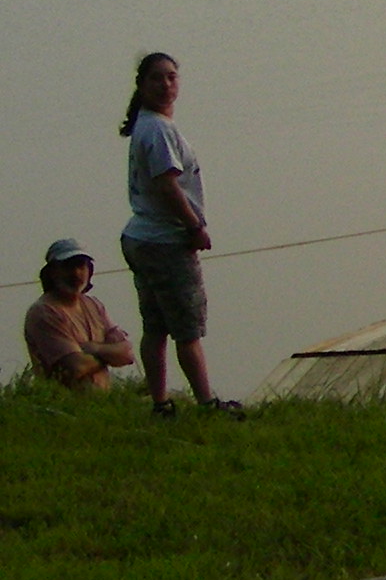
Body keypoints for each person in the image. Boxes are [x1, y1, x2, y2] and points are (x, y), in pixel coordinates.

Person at [119, 52, 238, 417]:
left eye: (172, 77)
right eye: (157, 78)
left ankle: (161, 403)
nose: (166, 85)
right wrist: (195, 227)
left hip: (141, 238)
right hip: (165, 241)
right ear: (142, 85)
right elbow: (168, 185)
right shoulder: (158, 129)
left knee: (155, 327)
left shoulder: (147, 125)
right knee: (187, 331)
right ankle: (206, 403)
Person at [22, 240, 138, 392]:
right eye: (68, 266)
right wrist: (109, 356)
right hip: (63, 402)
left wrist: (95, 349)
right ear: (52, 272)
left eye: (81, 266)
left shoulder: (94, 305)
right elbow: (75, 367)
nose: (76, 273)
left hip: (102, 401)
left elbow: (127, 354)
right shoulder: (44, 313)